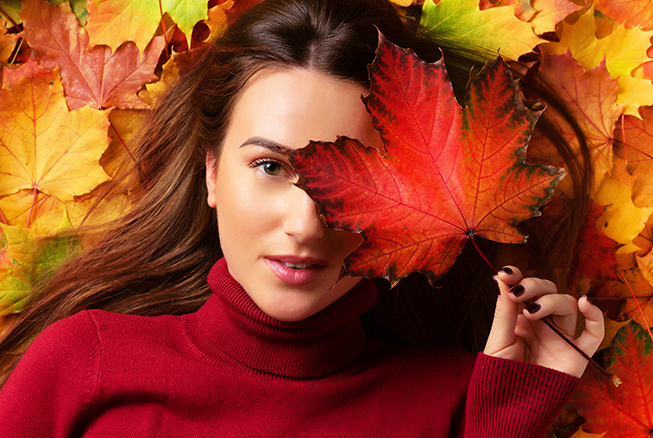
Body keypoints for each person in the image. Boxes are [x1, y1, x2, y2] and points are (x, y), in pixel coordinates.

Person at [0, 0, 604, 436]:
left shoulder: (460, 400)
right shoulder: (84, 362)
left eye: (351, 182)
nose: (307, 223)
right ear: (211, 173)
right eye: (269, 166)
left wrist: (511, 413)